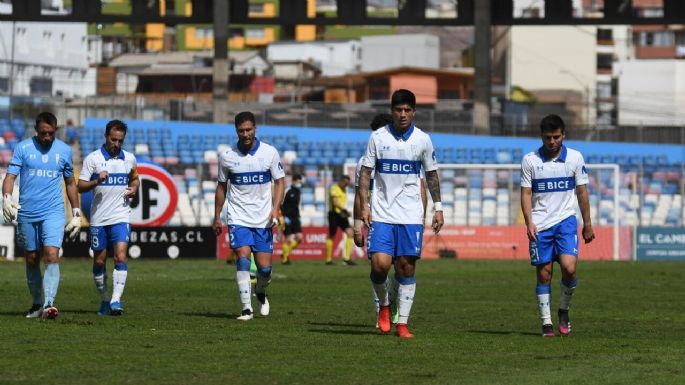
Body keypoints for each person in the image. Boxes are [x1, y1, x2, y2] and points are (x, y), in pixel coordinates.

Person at [357, 89, 444, 339]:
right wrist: (365, 205)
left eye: (407, 110)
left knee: (406, 267)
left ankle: (402, 324)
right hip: (383, 212)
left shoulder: (423, 140)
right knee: (380, 265)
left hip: (411, 214)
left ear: (414, 112)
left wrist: (438, 208)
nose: (403, 114)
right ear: (392, 110)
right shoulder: (377, 137)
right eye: (398, 110)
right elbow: (365, 173)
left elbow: (431, 174)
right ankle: (384, 304)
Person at [520, 114, 595, 337]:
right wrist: (529, 222)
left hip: (565, 221)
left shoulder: (575, 158)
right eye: (547, 138)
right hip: (540, 225)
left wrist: (587, 224)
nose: (551, 142)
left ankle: (563, 309)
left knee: (569, 268)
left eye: (555, 137)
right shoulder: (530, 160)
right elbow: (525, 193)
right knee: (544, 275)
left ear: (564, 135)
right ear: (541, 137)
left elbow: (582, 192)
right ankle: (546, 324)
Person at [2, 112, 81, 320]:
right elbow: (10, 176)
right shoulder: (23, 148)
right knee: (31, 259)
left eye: (51, 133)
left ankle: (49, 305)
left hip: (53, 211)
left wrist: (76, 213)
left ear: (56, 130)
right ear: (36, 130)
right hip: (27, 211)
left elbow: (71, 183)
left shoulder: (64, 150)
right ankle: (37, 304)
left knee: (52, 255)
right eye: (44, 133)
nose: (47, 137)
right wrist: (7, 198)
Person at [212, 111, 285, 321]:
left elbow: (280, 182)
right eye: (241, 130)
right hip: (238, 218)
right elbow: (221, 186)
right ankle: (246, 308)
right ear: (236, 131)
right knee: (242, 258)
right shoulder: (227, 157)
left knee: (265, 269)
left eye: (248, 129)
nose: (245, 134)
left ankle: (261, 292)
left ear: (255, 129)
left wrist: (276, 208)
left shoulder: (269, 153)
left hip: (263, 219)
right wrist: (217, 216)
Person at [77, 119, 139, 316]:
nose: (117, 144)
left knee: (120, 255)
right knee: (100, 261)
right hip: (98, 218)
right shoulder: (93, 159)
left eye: (120, 140)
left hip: (121, 215)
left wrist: (134, 188)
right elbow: (80, 186)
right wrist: (97, 180)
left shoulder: (129, 158)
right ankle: (104, 300)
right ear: (106, 137)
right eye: (113, 140)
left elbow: (135, 178)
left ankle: (115, 301)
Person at [325, 175, 354, 265]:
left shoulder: (344, 189)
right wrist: (345, 210)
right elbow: (335, 202)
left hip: (341, 214)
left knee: (350, 233)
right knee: (332, 236)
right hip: (333, 214)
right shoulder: (334, 188)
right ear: (341, 181)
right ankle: (328, 259)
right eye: (345, 183)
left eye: (347, 184)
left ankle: (346, 258)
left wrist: (344, 212)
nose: (346, 185)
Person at [280, 173, 303, 265]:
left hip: (296, 217)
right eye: (298, 181)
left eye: (300, 182)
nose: (299, 183)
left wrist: (299, 216)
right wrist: (283, 217)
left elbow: (297, 205)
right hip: (287, 217)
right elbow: (281, 204)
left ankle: (285, 253)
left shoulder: (298, 191)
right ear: (293, 181)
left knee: (299, 238)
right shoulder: (287, 191)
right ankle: (285, 259)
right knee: (288, 238)